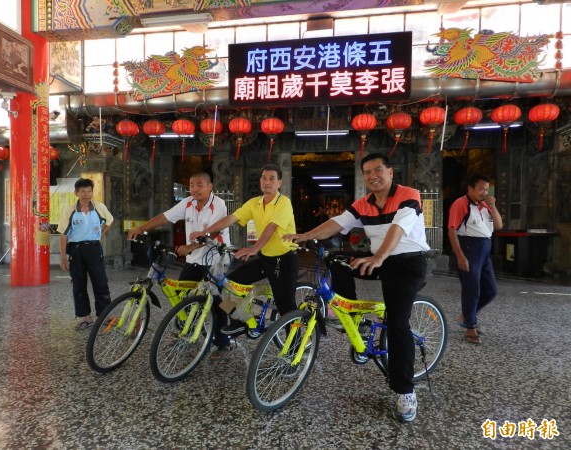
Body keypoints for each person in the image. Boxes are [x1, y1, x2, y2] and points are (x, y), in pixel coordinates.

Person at [284, 153, 429, 422]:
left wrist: (378, 257)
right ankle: (355, 318)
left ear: (390, 172)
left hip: (407, 262)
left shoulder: (409, 195)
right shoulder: (363, 203)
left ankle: (406, 391)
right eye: (367, 172)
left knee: (398, 324)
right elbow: (337, 223)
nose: (373, 175)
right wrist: (306, 235)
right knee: (338, 262)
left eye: (378, 170)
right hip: (380, 259)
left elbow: (397, 230)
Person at [127, 171, 233, 359]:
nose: (195, 189)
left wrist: (190, 246)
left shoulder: (219, 204)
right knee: (184, 297)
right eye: (192, 185)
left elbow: (214, 232)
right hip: (194, 260)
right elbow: (165, 217)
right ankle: (187, 333)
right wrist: (141, 228)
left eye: (200, 184)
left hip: (216, 259)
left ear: (210, 187)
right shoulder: (187, 203)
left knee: (216, 302)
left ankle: (223, 342)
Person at [190, 163, 299, 338]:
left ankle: (295, 349)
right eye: (264, 178)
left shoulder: (284, 202)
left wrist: (254, 248)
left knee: (286, 307)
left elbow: (271, 228)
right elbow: (231, 218)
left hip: (284, 260)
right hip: (266, 258)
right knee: (227, 286)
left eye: (272, 178)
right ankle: (239, 321)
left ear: (279, 183)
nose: (267, 182)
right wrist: (205, 232)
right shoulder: (254, 203)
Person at [448, 173, 503, 345]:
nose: (484, 192)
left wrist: (492, 207)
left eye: (486, 189)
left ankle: (467, 315)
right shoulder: (461, 204)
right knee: (472, 289)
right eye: (480, 189)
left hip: (484, 251)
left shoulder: (486, 205)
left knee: (491, 290)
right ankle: (470, 327)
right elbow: (451, 230)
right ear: (470, 188)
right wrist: (460, 255)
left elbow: (499, 225)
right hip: (469, 249)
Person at [59, 178, 114, 330]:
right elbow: (63, 235)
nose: (86, 194)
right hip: (76, 250)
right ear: (76, 193)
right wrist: (63, 257)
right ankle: (86, 318)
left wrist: (101, 234)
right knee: (79, 284)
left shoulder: (99, 207)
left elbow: (110, 220)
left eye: (89, 191)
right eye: (82, 191)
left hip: (94, 249)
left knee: (101, 282)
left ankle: (104, 315)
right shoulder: (69, 211)